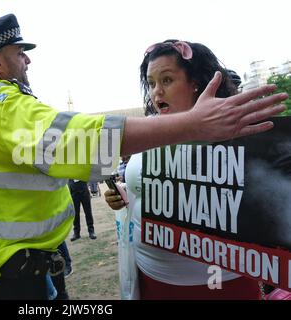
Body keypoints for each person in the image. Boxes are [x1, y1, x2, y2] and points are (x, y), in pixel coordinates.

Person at [0, 13, 287, 300]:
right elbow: (83, 141)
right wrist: (192, 125)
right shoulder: (3, 106)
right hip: (11, 279)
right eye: (20, 54)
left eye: (167, 80)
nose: (27, 60)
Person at [105, 40, 266, 299]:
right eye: (151, 83)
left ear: (194, 82)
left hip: (222, 283)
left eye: (167, 80)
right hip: (153, 279)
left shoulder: (233, 130)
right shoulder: (146, 130)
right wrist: (124, 195)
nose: (157, 92)